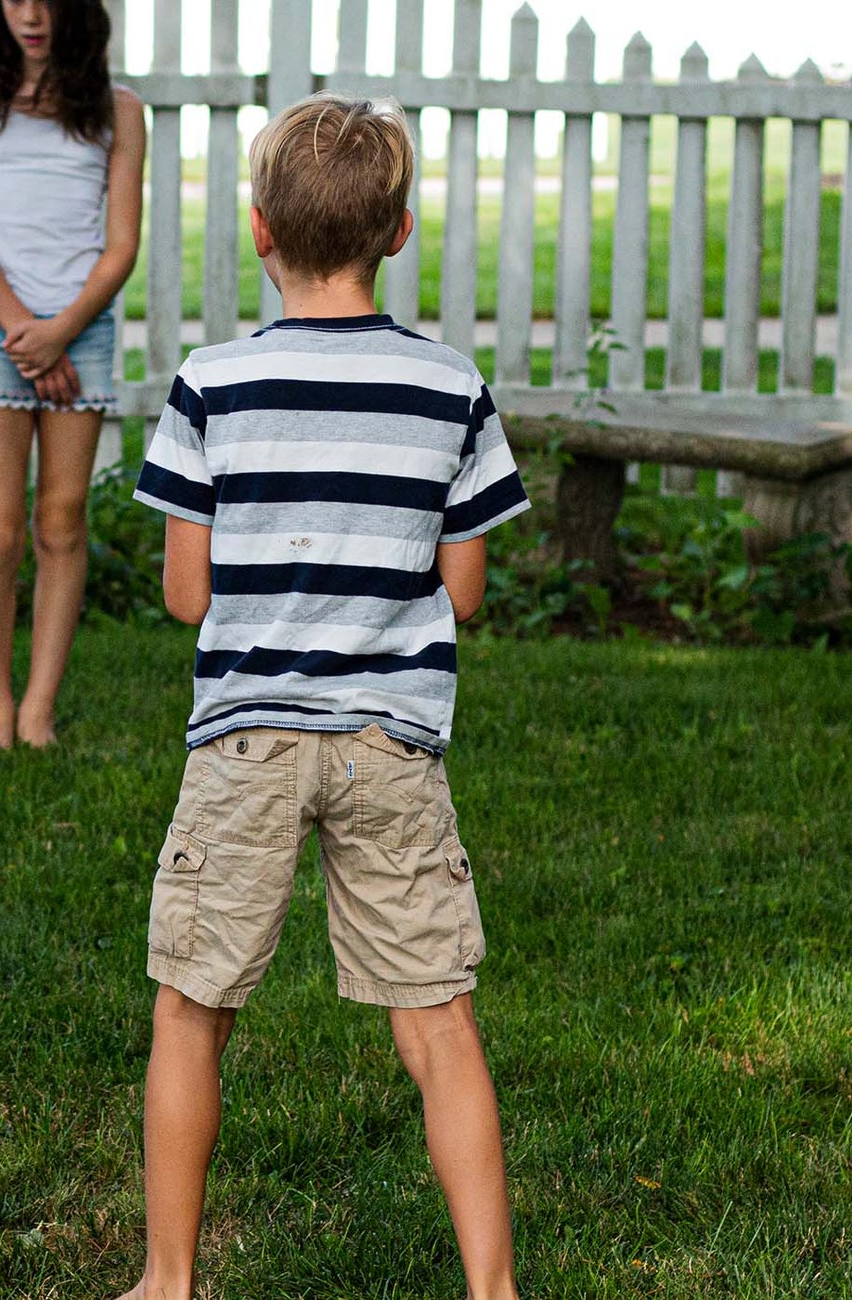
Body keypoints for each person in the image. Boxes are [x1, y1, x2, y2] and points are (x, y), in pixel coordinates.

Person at [120, 94, 531, 1300]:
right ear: (396, 231)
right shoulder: (448, 389)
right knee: (436, 1018)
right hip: (390, 744)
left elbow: (185, 599)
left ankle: (167, 1283)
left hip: (243, 738)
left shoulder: (212, 385)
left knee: (191, 1007)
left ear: (257, 230)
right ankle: (492, 1289)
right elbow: (465, 589)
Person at [0, 0, 145, 748]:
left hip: (79, 331)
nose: (31, 14)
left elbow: (121, 245)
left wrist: (61, 333)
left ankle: (38, 712)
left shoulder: (119, 111)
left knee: (60, 524)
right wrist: (26, 335)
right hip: (0, 330)